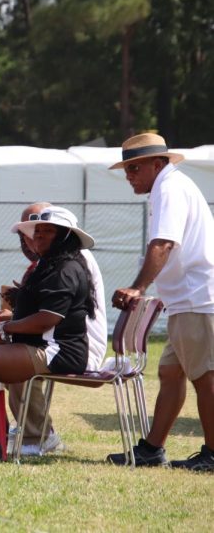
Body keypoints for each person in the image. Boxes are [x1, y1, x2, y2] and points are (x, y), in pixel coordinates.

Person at [0, 203, 106, 457]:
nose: (36, 236)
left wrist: (8, 327)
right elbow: (41, 313)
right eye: (36, 231)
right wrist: (13, 319)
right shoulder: (50, 263)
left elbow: (48, 319)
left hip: (59, 350)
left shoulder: (66, 267)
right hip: (45, 343)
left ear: (65, 236)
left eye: (47, 231)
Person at [106, 132, 214, 472]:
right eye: (126, 169)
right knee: (170, 372)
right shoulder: (169, 186)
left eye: (134, 167)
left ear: (157, 164)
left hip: (197, 300)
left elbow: (164, 243)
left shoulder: (169, 188)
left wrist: (139, 287)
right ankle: (152, 449)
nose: (129, 176)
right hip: (187, 300)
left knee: (205, 379)